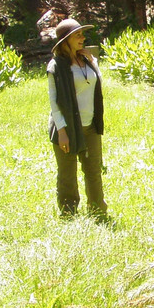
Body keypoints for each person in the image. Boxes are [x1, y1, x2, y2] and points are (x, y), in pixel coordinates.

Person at [47, 18, 111, 224]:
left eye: (82, 34)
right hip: (67, 128)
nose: (82, 38)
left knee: (93, 170)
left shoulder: (86, 61)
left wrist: (93, 63)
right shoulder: (56, 66)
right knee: (67, 174)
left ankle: (98, 212)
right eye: (78, 35)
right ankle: (69, 215)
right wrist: (62, 131)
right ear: (66, 40)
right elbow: (54, 102)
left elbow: (97, 84)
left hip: (90, 125)